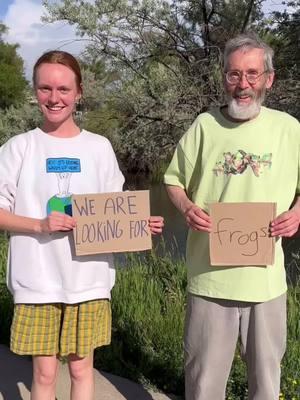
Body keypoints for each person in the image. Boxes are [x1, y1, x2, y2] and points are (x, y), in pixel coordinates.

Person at [0, 50, 163, 400]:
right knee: (43, 375)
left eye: (63, 89)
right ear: (35, 90)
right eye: (45, 88)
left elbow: (116, 211)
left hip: (89, 282)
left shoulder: (99, 148)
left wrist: (140, 224)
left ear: (79, 93)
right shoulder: (19, 148)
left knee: (80, 369)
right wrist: (40, 225)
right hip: (37, 283)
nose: (54, 98)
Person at [164, 32, 300, 400]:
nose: (243, 85)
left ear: (269, 79)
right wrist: (187, 208)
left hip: (266, 286)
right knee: (204, 385)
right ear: (223, 76)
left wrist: (297, 213)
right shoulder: (204, 126)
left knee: (266, 386)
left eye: (253, 74)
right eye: (234, 74)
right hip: (210, 283)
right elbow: (173, 182)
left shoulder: (290, 129)